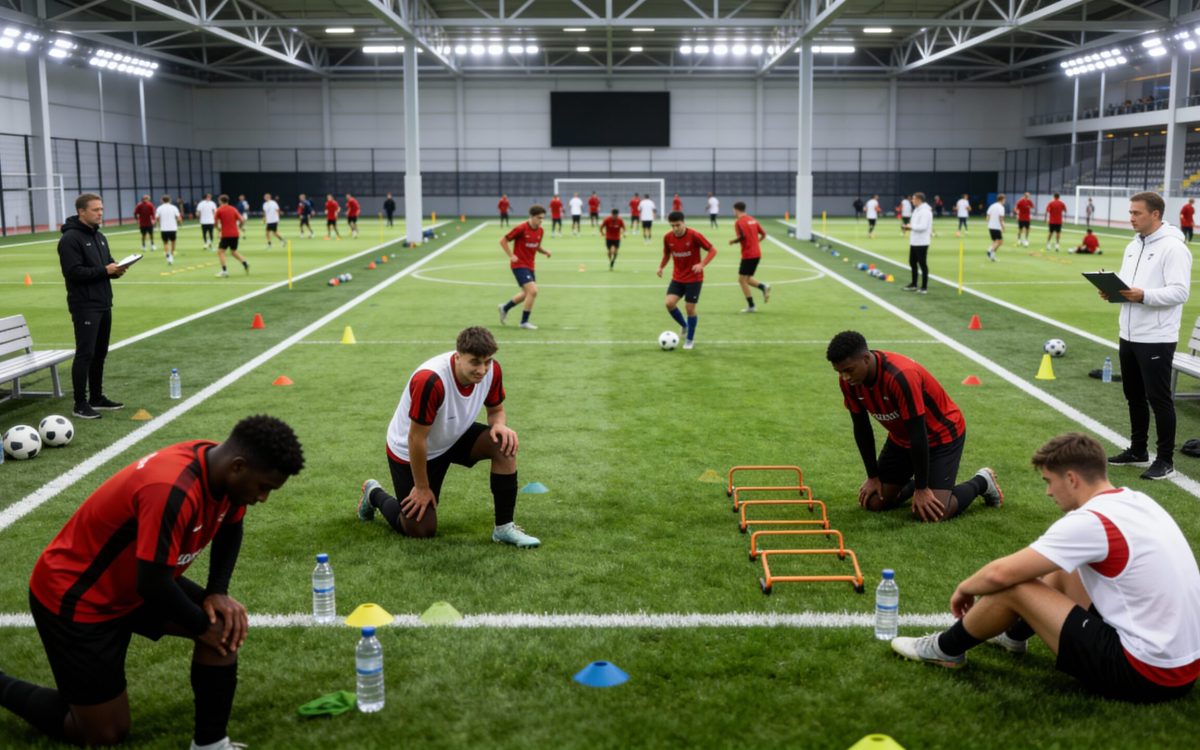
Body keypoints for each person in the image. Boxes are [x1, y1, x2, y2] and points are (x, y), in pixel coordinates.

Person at [0, 415, 305, 747]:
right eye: (264, 488)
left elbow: (231, 526)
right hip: (77, 597)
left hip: (138, 583)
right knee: (104, 733)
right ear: (238, 466)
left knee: (224, 627)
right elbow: (154, 585)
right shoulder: (172, 488)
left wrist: (218, 592)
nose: (263, 498)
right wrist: (202, 626)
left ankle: (210, 744)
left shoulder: (224, 476)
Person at [891, 433, 1200, 704]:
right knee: (1066, 568)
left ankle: (945, 649)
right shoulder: (1137, 501)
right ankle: (1014, 635)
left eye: (1049, 481)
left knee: (1013, 585)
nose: (1048, 492)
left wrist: (965, 588)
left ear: (1071, 479)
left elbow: (1001, 574)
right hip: (1180, 666)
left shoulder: (1091, 521)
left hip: (1146, 674)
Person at [356, 327, 539, 548]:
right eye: (475, 362)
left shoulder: (492, 370)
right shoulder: (430, 380)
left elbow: (495, 410)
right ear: (457, 357)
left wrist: (499, 425)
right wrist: (422, 488)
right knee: (421, 529)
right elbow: (416, 438)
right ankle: (374, 494)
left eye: (487, 361)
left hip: (453, 435)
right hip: (411, 449)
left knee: (503, 445)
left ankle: (504, 528)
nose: (482, 369)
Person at [826, 330, 1003, 523]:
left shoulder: (901, 376)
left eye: (849, 370)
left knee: (933, 513)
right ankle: (912, 486)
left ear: (866, 358)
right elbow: (861, 427)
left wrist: (922, 488)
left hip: (941, 436)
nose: (845, 377)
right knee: (874, 501)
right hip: (901, 439)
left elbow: (919, 435)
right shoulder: (850, 383)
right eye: (839, 372)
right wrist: (873, 476)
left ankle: (982, 482)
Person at [1102, 192, 1192, 481]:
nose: (1131, 217)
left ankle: (1165, 460)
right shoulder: (1133, 245)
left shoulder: (1173, 248)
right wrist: (1114, 292)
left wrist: (1144, 296)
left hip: (1156, 336)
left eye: (1136, 213)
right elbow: (1132, 286)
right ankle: (1138, 450)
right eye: (1130, 212)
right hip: (1128, 333)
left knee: (1159, 399)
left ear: (1155, 214)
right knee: (1133, 396)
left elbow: (1180, 292)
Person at [58, 193, 126, 421]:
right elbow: (73, 272)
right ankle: (80, 403)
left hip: (104, 302)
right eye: (96, 210)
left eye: (101, 209)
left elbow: (106, 266)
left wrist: (117, 270)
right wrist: (105, 270)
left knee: (100, 353)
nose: (100, 213)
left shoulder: (100, 237)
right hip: (85, 305)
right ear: (82, 212)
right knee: (85, 354)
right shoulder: (70, 239)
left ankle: (97, 397)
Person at [657, 211, 716, 351]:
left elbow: (712, 250)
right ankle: (684, 325)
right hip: (677, 277)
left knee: (690, 309)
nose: (675, 228)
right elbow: (666, 254)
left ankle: (689, 340)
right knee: (669, 303)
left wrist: (702, 264)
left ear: (684, 222)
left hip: (694, 278)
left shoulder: (694, 235)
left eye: (678, 225)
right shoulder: (667, 237)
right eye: (672, 226)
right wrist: (661, 267)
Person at [498, 205, 551, 330]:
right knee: (533, 291)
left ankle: (504, 308)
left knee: (526, 293)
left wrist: (545, 252)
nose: (541, 220)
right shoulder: (521, 228)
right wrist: (511, 255)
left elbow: (536, 246)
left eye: (543, 218)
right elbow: (503, 241)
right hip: (519, 264)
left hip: (530, 265)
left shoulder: (540, 230)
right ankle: (524, 322)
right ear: (531, 217)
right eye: (539, 218)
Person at [730, 201, 769, 312]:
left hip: (748, 255)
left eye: (733, 210)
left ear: (736, 209)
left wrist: (733, 241)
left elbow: (742, 236)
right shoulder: (753, 219)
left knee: (742, 280)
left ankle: (751, 306)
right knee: (747, 279)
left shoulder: (739, 222)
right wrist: (756, 243)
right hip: (757, 254)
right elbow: (764, 234)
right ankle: (763, 287)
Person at [902, 192, 932, 294]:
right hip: (914, 241)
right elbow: (914, 224)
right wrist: (907, 226)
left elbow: (923, 226)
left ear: (919, 200)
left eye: (914, 199)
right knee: (912, 262)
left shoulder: (925, 211)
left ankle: (924, 287)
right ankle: (914, 284)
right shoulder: (916, 210)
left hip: (922, 242)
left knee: (922, 264)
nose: (912, 200)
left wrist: (910, 227)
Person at [213, 195, 248, 278]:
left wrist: (218, 230)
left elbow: (215, 223)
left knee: (220, 251)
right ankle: (245, 262)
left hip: (226, 234)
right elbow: (242, 220)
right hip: (235, 234)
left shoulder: (219, 210)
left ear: (220, 201)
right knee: (233, 251)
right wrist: (240, 226)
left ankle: (224, 271)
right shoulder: (233, 208)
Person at [155, 194, 180, 266]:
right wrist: (179, 223)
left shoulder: (159, 208)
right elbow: (178, 217)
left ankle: (168, 255)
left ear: (162, 200)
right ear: (170, 200)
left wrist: (158, 224)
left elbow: (157, 218)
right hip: (173, 228)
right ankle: (171, 255)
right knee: (173, 242)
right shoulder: (174, 207)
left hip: (164, 229)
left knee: (165, 243)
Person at [985, 194, 1006, 261]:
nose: (1005, 201)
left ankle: (992, 256)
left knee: (995, 241)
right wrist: (1003, 226)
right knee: (1000, 242)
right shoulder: (1001, 207)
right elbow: (1001, 218)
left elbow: (987, 216)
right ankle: (990, 251)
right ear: (1002, 199)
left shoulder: (992, 205)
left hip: (991, 226)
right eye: (1004, 199)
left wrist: (988, 224)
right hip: (996, 227)